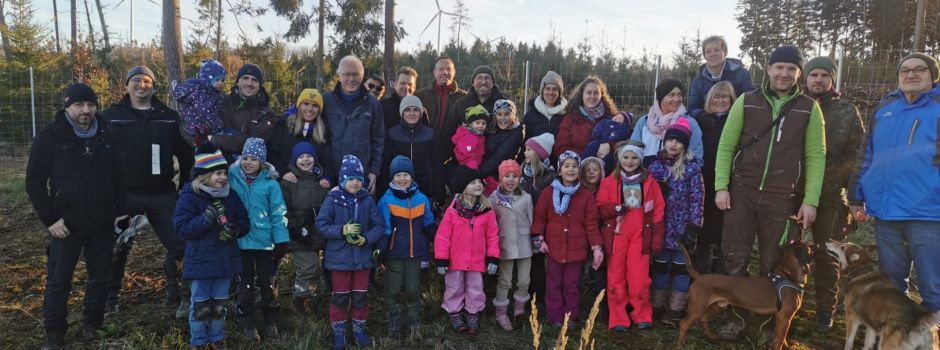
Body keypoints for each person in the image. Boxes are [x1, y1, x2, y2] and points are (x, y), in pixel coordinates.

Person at [713, 45, 825, 339]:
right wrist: (721, 186)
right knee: (735, 255)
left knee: (773, 260)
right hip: (742, 191)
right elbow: (726, 146)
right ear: (769, 69)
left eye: (791, 69)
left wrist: (810, 201)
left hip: (782, 196)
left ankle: (769, 321)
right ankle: (735, 316)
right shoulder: (747, 102)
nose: (784, 74)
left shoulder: (808, 108)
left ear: (798, 73)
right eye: (779, 67)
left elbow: (816, 156)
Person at [26, 83, 126, 349]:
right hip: (65, 223)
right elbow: (34, 183)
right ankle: (55, 333)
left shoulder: (107, 134)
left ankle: (93, 323)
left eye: (91, 105)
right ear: (67, 107)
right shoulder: (50, 137)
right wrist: (51, 219)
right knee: (60, 280)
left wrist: (120, 212)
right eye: (79, 105)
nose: (86, 111)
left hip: (103, 221)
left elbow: (119, 177)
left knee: (100, 276)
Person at [101, 65, 195, 318]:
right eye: (136, 80)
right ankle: (110, 300)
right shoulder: (111, 116)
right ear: (127, 84)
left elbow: (185, 155)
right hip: (125, 195)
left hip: (161, 193)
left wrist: (186, 186)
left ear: (153, 85)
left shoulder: (168, 117)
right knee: (117, 246)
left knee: (180, 243)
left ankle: (181, 294)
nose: (141, 85)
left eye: (146, 81)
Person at [849, 52, 940, 313]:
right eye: (904, 71)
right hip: (886, 212)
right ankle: (896, 334)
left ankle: (932, 337)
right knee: (891, 282)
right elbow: (866, 154)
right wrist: (856, 197)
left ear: (933, 76)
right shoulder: (885, 108)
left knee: (932, 284)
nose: (911, 75)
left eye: (919, 70)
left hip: (929, 214)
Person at [802, 56, 865, 332]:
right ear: (805, 78)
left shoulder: (846, 110)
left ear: (832, 79)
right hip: (793, 190)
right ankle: (780, 299)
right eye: (813, 75)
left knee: (827, 253)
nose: (818, 80)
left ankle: (825, 310)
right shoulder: (795, 107)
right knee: (783, 249)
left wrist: (850, 192)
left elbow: (857, 154)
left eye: (824, 76)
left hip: (830, 194)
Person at [173, 141, 249, 350]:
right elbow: (182, 228)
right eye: (217, 174)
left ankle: (216, 337)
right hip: (201, 262)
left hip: (225, 261)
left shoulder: (230, 196)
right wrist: (205, 219)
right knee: (201, 304)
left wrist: (237, 229)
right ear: (203, 176)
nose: (223, 178)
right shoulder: (190, 197)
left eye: (224, 173)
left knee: (219, 303)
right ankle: (198, 341)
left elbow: (244, 220)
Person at [317, 155, 385, 349]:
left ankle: (359, 331)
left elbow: (379, 225)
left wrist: (366, 238)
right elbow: (321, 224)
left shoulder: (367, 199)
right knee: (340, 297)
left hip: (362, 259)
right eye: (351, 179)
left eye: (358, 179)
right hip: (339, 259)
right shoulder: (332, 198)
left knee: (360, 296)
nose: (355, 183)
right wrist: (341, 230)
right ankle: (339, 333)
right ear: (342, 180)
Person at [596, 141, 665, 331]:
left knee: (639, 279)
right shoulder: (610, 181)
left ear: (640, 160)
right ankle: (618, 319)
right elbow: (600, 207)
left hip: (640, 235)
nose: (629, 161)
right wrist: (615, 208)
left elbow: (658, 211)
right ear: (619, 159)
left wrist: (656, 237)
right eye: (625, 157)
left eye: (634, 157)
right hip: (617, 235)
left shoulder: (650, 183)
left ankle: (642, 314)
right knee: (615, 278)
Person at [531, 151, 604, 327]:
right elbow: (540, 216)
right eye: (566, 166)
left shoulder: (585, 195)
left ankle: (570, 316)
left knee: (571, 284)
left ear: (579, 170)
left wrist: (596, 247)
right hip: (554, 248)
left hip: (576, 249)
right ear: (560, 170)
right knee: (553, 283)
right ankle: (555, 315)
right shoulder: (549, 193)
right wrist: (538, 238)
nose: (570, 170)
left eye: (574, 166)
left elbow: (591, 223)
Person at [229, 138, 290, 341]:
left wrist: (281, 240)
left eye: (253, 159)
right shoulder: (232, 177)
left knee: (268, 283)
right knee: (245, 285)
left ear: (262, 162)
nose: (248, 162)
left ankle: (270, 320)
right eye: (245, 158)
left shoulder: (271, 184)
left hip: (265, 243)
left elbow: (278, 213)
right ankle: (247, 321)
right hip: (241, 241)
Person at [647, 119, 704, 324]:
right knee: (660, 268)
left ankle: (676, 309)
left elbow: (697, 199)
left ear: (685, 145)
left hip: (682, 230)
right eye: (670, 139)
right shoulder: (655, 168)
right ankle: (657, 304)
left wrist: (693, 226)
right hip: (661, 229)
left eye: (678, 141)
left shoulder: (691, 170)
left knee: (682, 271)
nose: (673, 144)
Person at [376, 156, 437, 339]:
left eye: (406, 175)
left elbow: (429, 224)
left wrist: (440, 243)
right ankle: (393, 318)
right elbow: (383, 229)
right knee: (393, 289)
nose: (402, 179)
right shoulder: (386, 200)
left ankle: (413, 319)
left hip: (415, 254)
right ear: (392, 177)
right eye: (398, 175)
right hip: (394, 254)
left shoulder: (421, 199)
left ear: (412, 176)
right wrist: (380, 252)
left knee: (412, 289)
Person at [435, 167, 500, 335]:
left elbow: (493, 235)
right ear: (463, 188)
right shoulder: (453, 211)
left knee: (475, 287)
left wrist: (493, 257)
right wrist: (442, 258)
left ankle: (472, 313)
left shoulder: (486, 210)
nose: (478, 184)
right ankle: (455, 312)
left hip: (477, 260)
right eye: (473, 182)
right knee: (454, 287)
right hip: (455, 260)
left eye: (479, 181)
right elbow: (443, 236)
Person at [278, 142, 329, 316]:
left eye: (309, 156)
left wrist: (316, 213)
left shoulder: (321, 181)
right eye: (301, 157)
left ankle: (313, 298)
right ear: (294, 160)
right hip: (297, 234)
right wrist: (296, 227)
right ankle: (299, 300)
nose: (306, 160)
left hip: (318, 234)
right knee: (310, 265)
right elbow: (282, 210)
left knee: (318, 268)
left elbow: (329, 207)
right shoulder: (288, 182)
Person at [323, 55, 385, 194]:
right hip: (331, 174)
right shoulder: (326, 101)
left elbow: (378, 140)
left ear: (362, 76)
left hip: (361, 176)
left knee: (361, 214)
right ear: (339, 76)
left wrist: (374, 171)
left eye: (356, 74)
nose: (351, 79)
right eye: (347, 74)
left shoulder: (373, 104)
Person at [488, 160, 534, 331]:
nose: (511, 180)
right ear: (500, 178)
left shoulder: (526, 198)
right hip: (505, 245)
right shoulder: (493, 200)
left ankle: (519, 312)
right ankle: (501, 313)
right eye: (507, 176)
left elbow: (532, 221)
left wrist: (536, 240)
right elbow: (491, 224)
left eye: (514, 176)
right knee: (505, 280)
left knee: (524, 280)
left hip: (524, 245)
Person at [695, 81, 736, 274]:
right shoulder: (700, 123)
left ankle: (722, 274)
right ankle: (703, 274)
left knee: (724, 229)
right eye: (717, 97)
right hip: (704, 180)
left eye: (725, 97)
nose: (720, 101)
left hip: (728, 182)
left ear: (732, 100)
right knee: (703, 229)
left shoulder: (737, 122)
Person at [414, 57, 468, 200]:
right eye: (441, 69)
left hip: (453, 154)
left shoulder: (464, 98)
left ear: (454, 72)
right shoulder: (421, 95)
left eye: (448, 69)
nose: (445, 72)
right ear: (434, 72)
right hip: (426, 152)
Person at [446, 66, 507, 171]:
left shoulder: (502, 103)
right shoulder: (461, 104)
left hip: (496, 164)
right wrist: (458, 156)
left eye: (487, 78)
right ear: (473, 82)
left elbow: (510, 132)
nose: (483, 81)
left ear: (493, 83)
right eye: (479, 78)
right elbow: (448, 133)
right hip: (466, 164)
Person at [211, 63, 278, 160]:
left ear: (260, 85)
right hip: (218, 165)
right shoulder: (221, 103)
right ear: (237, 81)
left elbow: (254, 144)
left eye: (254, 80)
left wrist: (216, 139)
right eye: (245, 78)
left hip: (249, 169)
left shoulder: (267, 113)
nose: (249, 83)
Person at [519, 133, 556, 310]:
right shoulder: (521, 173)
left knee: (537, 264)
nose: (525, 153)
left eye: (529, 150)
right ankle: (522, 297)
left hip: (539, 227)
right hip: (522, 225)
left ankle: (538, 299)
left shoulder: (549, 177)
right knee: (524, 263)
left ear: (540, 154)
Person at [631, 78, 704, 165]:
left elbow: (697, 157)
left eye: (679, 95)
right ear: (661, 97)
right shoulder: (644, 122)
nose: (676, 99)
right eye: (671, 95)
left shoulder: (690, 123)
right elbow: (633, 151)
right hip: (645, 176)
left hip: (678, 176)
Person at [269, 88, 335, 186]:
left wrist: (327, 177)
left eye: (315, 106)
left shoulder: (323, 132)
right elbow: (272, 153)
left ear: (319, 110)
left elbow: (328, 161)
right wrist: (283, 172)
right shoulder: (284, 125)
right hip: (285, 184)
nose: (310, 109)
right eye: (306, 104)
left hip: (312, 188)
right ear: (299, 105)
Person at [378, 95, 437, 200]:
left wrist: (438, 192)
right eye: (407, 110)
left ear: (421, 112)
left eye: (416, 110)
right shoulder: (392, 134)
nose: (412, 113)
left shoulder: (430, 134)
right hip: (397, 190)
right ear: (402, 113)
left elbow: (437, 165)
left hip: (425, 191)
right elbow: (385, 165)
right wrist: (382, 192)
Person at [687, 35, 755, 119]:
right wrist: (702, 116)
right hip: (708, 124)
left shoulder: (742, 74)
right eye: (708, 51)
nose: (712, 54)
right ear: (704, 56)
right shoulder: (698, 81)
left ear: (725, 52)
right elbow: (692, 108)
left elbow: (751, 101)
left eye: (717, 50)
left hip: (736, 120)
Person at [555, 76, 620, 156]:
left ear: (601, 95)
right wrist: (589, 156)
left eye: (596, 93)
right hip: (577, 165)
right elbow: (560, 148)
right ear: (582, 95)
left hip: (605, 165)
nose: (592, 96)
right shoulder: (570, 118)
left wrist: (610, 145)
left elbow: (621, 137)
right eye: (588, 92)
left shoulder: (611, 116)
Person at [174, 59, 227, 138]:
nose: (221, 83)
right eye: (217, 80)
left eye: (223, 80)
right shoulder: (200, 93)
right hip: (197, 131)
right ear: (207, 79)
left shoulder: (216, 93)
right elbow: (205, 113)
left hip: (206, 130)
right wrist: (219, 125)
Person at [481, 99, 523, 195]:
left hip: (500, 176)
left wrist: (478, 172)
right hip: (486, 173)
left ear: (512, 116)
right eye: (499, 114)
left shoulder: (516, 133)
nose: (503, 118)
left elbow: (500, 157)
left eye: (507, 114)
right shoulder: (491, 129)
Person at [523, 71, 568, 141]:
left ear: (559, 93)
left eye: (554, 89)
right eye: (547, 88)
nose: (551, 92)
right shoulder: (530, 115)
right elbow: (525, 143)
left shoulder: (567, 115)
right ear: (542, 91)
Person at [452, 105, 490, 171]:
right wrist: (474, 173)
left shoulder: (478, 135)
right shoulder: (469, 137)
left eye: (483, 123)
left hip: (476, 165)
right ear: (470, 124)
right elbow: (470, 157)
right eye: (477, 123)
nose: (481, 125)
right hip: (469, 168)